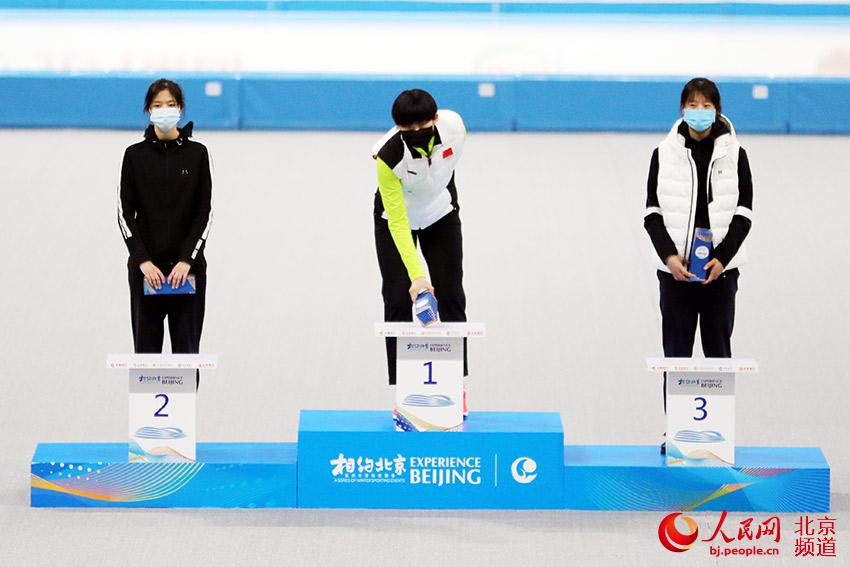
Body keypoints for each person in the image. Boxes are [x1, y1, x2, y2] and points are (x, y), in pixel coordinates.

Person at [643, 77, 754, 453]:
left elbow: (744, 213)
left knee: (718, 353)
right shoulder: (663, 153)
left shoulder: (736, 154)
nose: (700, 111)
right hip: (676, 274)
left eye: (707, 105)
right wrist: (670, 258)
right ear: (682, 109)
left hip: (720, 274)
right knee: (675, 354)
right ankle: (674, 434)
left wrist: (722, 259)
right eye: (693, 104)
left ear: (718, 110)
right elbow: (652, 213)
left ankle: (719, 436)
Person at [372, 89, 469, 416]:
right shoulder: (387, 158)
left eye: (422, 127)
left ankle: (458, 385)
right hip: (395, 219)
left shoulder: (455, 127)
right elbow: (399, 222)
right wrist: (417, 277)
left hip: (440, 213)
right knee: (398, 298)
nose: (415, 134)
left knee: (453, 295)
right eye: (406, 130)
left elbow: (445, 169)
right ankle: (402, 389)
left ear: (436, 119)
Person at [118, 78, 213, 381]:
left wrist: (187, 260)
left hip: (187, 273)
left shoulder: (197, 154)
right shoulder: (134, 156)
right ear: (148, 110)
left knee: (187, 355)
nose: (164, 110)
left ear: (181, 109)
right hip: (148, 275)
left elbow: (204, 214)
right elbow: (125, 214)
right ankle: (149, 428)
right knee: (146, 357)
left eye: (170, 105)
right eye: (157, 105)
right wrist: (143, 261)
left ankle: (185, 427)